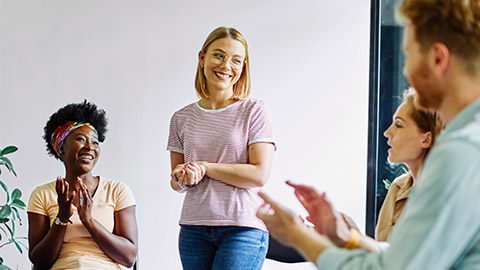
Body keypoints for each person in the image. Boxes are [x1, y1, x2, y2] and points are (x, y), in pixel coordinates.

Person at [257, 0, 480, 269]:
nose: (404, 70)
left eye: (407, 55)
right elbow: (412, 255)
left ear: (437, 59)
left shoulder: (461, 151)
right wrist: (344, 237)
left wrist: (297, 235)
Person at [167, 26, 275, 270]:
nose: (226, 66)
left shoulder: (254, 111)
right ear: (202, 57)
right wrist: (184, 177)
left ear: (243, 67)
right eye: (219, 55)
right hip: (193, 228)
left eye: (236, 60)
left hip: (243, 228)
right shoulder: (180, 118)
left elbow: (259, 175)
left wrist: (205, 167)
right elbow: (176, 182)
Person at [27, 101, 138, 269]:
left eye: (95, 142)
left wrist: (89, 220)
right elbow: (40, 261)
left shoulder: (117, 191)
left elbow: (129, 258)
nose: (89, 147)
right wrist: (62, 218)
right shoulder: (42, 195)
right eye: (81, 139)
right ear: (61, 148)